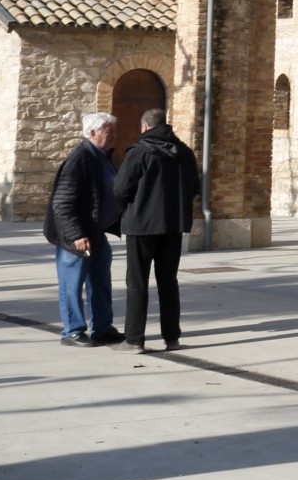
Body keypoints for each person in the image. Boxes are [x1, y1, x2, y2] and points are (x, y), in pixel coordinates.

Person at [113, 107, 201, 353]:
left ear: (144, 127)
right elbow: (194, 187)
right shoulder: (184, 153)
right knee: (168, 281)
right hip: (173, 225)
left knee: (137, 282)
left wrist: (127, 208)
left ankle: (134, 339)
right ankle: (172, 337)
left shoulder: (139, 152)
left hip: (141, 225)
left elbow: (120, 188)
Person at [42, 112, 124, 347]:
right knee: (72, 283)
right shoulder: (79, 159)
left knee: (100, 282)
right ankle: (72, 331)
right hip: (76, 236)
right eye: (109, 132)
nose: (114, 136)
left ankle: (102, 328)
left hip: (96, 232)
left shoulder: (102, 156)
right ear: (92, 133)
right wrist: (76, 234)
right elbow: (62, 203)